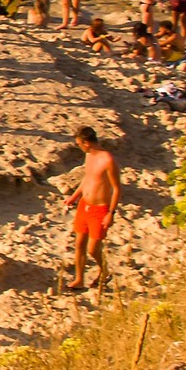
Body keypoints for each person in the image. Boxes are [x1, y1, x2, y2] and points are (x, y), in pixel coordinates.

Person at [64, 126, 119, 294]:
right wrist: (74, 197)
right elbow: (87, 179)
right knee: (79, 243)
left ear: (86, 143)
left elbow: (117, 189)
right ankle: (79, 279)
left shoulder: (108, 160)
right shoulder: (89, 156)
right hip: (84, 204)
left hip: (100, 208)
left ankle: (105, 270)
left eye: (79, 143)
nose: (79, 146)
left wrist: (110, 213)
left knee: (93, 249)